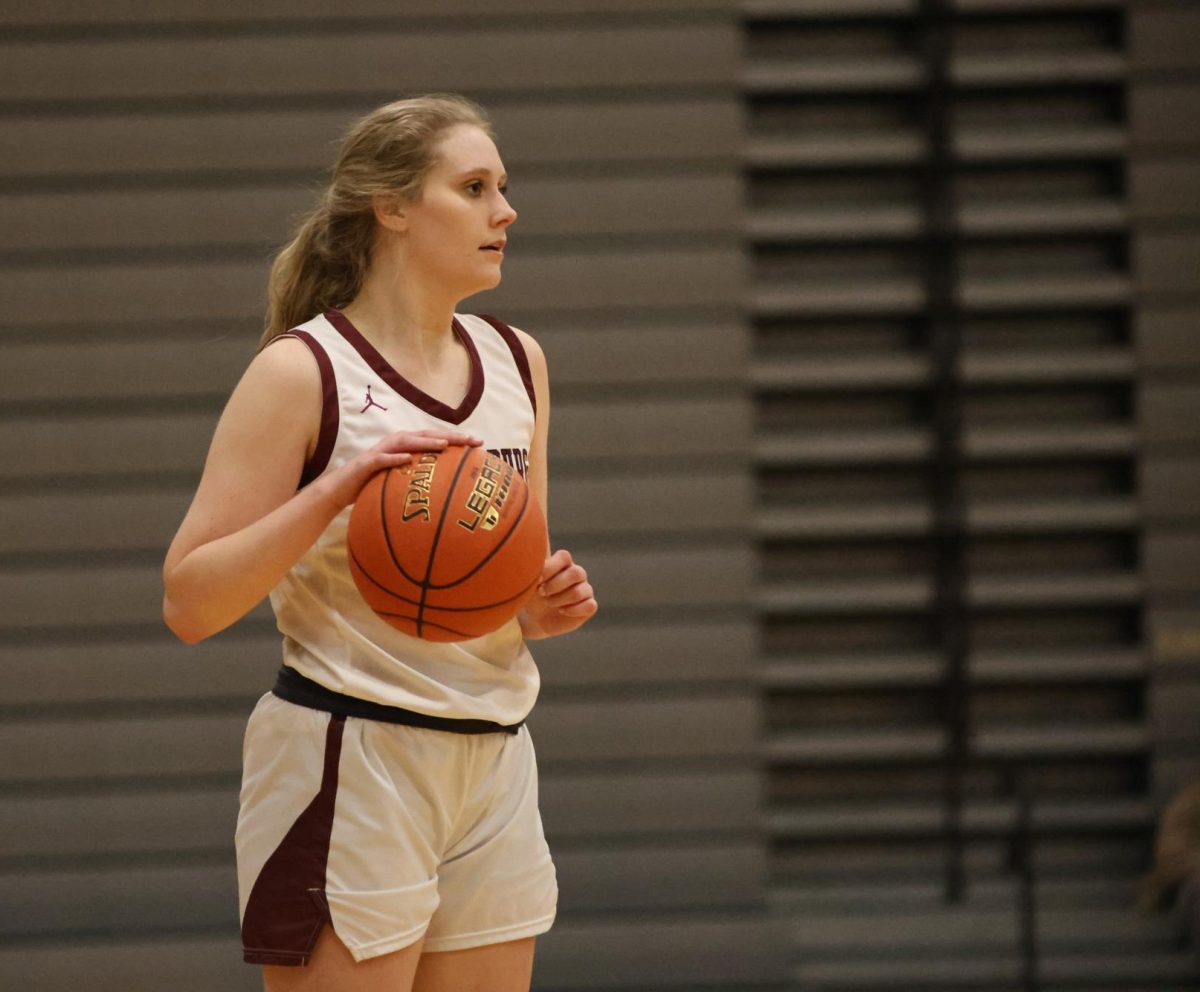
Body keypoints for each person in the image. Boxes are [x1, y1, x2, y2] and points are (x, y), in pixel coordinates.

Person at [162, 93, 597, 992]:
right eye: (473, 188)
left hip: (495, 752)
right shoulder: (301, 370)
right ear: (391, 208)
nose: (504, 211)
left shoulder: (520, 362)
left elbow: (488, 588)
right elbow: (189, 603)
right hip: (350, 755)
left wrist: (535, 609)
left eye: (503, 188)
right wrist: (331, 494)